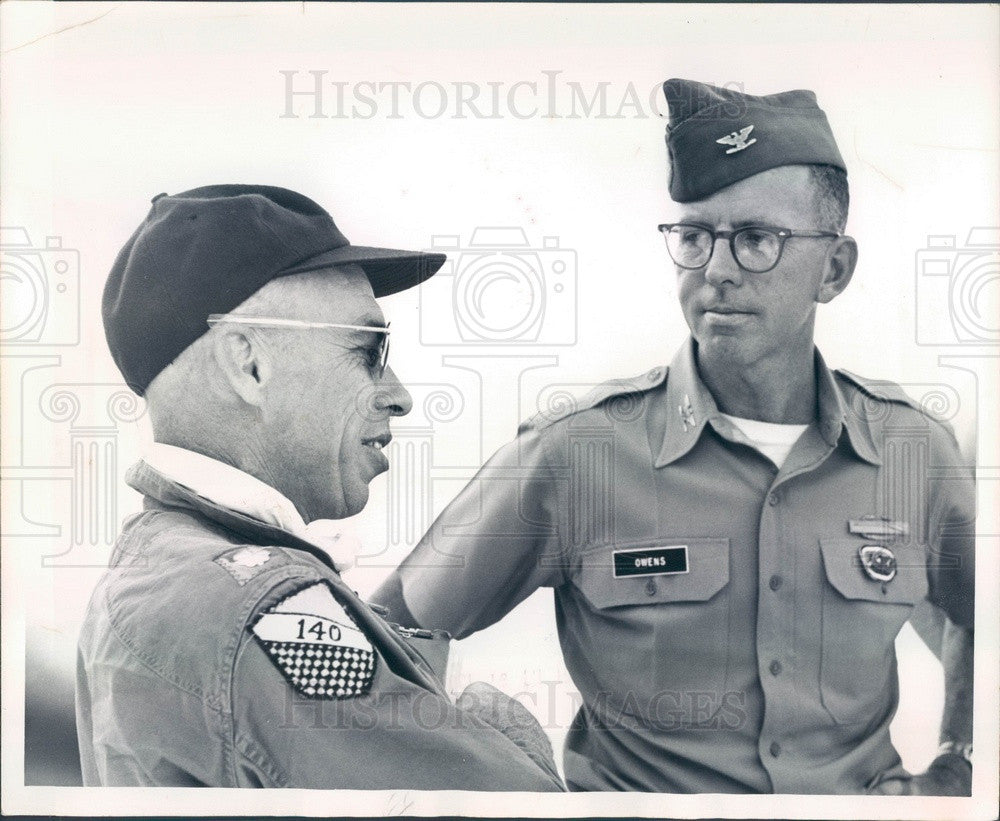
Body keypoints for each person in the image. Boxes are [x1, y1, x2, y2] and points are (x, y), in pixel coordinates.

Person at [372, 80, 976, 794]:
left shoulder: (913, 454)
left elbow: (982, 618)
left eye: (756, 240)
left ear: (834, 270)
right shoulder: (578, 454)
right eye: (694, 238)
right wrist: (498, 786)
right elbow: (387, 639)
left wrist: (958, 757)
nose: (716, 269)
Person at [75, 184, 564, 790]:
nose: (400, 394)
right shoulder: (265, 608)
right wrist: (492, 715)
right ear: (249, 365)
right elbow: (526, 807)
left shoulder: (158, 571)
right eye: (369, 350)